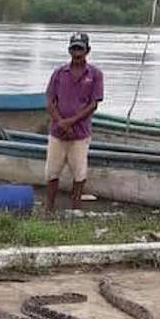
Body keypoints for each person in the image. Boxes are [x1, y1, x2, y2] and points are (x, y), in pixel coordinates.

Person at [44, 32, 104, 212]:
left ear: (87, 51)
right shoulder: (59, 73)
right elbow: (50, 101)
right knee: (51, 172)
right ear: (69, 50)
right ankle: (49, 207)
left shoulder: (95, 74)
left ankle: (75, 208)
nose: (77, 53)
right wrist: (61, 122)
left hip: (80, 134)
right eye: (74, 49)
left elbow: (93, 104)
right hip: (58, 133)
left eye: (80, 49)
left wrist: (70, 122)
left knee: (79, 173)